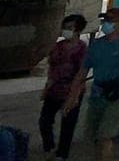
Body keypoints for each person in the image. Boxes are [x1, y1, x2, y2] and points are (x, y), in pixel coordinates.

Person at [67, 8, 119, 161]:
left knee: (105, 136)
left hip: (118, 94)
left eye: (111, 20)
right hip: (97, 93)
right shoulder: (97, 45)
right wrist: (72, 96)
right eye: (105, 20)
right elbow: (83, 71)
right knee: (93, 135)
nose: (106, 23)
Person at [39, 14, 87, 161]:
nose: (66, 31)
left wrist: (75, 95)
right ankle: (50, 146)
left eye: (70, 28)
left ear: (77, 30)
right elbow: (52, 68)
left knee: (68, 125)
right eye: (64, 28)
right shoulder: (58, 46)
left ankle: (62, 153)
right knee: (45, 120)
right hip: (54, 89)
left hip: (71, 90)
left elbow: (81, 73)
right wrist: (47, 87)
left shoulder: (81, 49)